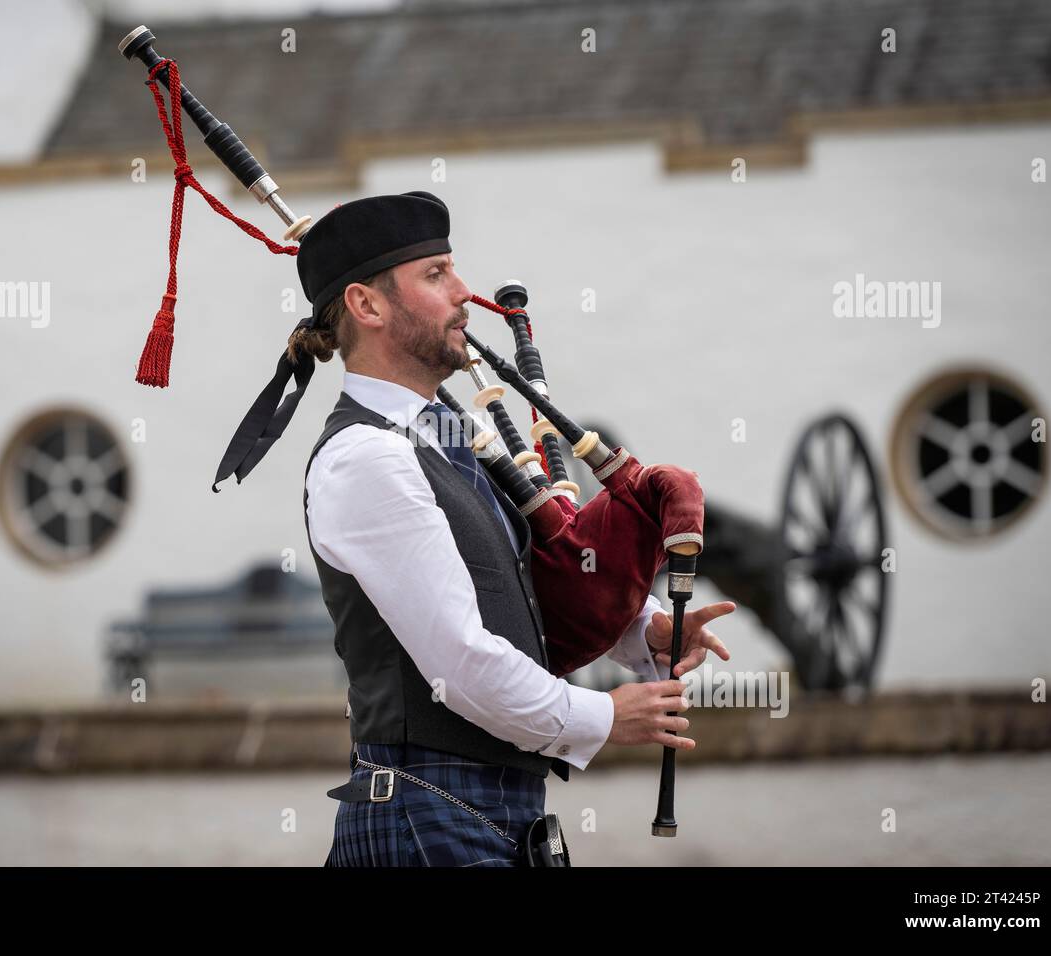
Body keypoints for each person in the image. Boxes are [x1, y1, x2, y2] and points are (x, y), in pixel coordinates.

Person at [221, 191, 734, 866]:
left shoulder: (444, 437)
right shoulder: (368, 456)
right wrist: (606, 718)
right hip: (423, 816)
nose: (465, 293)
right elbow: (460, 663)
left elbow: (517, 593)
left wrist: (637, 632)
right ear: (366, 306)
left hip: (479, 815)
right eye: (435, 275)